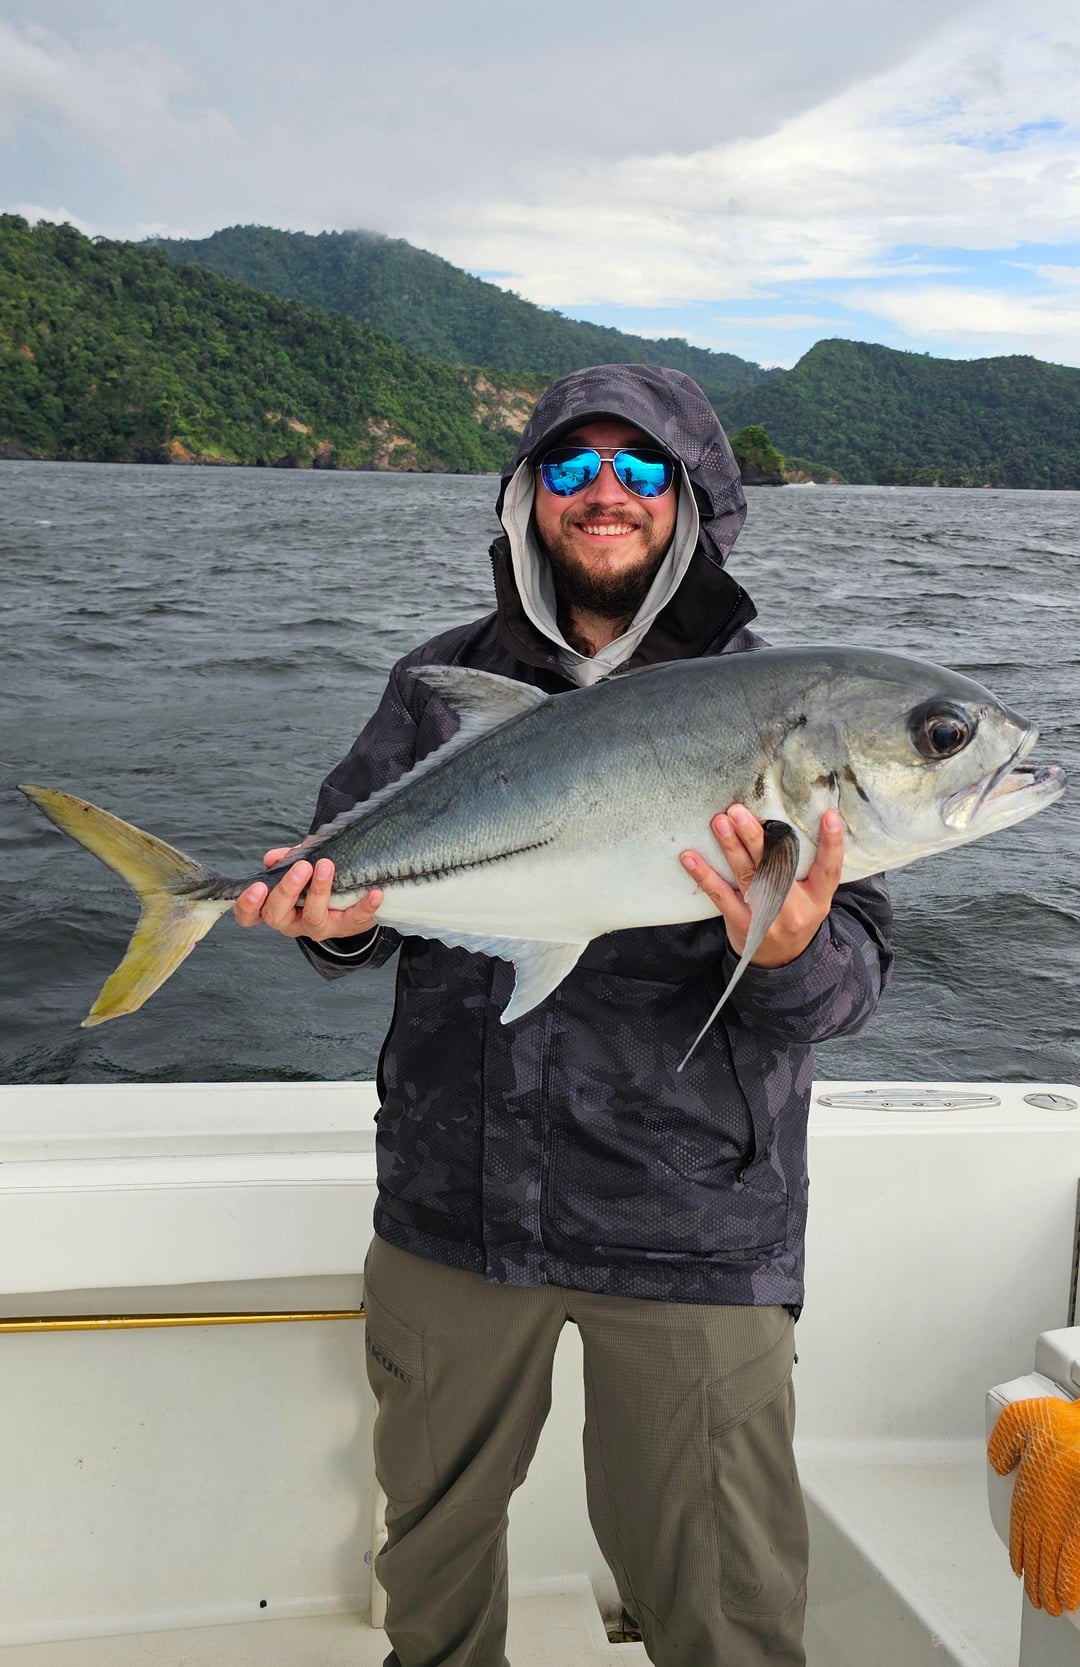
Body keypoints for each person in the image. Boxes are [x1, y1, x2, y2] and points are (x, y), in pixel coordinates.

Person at [235, 364, 894, 1667]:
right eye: (572, 465)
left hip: (694, 1221)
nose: (606, 492)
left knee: (724, 1605)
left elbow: (851, 984)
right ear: (528, 495)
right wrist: (334, 921)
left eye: (640, 468)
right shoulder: (442, 684)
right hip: (455, 1203)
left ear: (689, 498)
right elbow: (360, 914)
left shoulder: (785, 699)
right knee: (431, 1576)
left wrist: (788, 949)